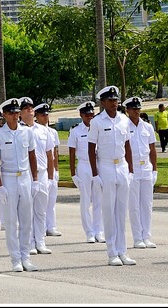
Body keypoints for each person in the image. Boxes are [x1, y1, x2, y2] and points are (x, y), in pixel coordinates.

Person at [0, 98, 40, 273]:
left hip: (25, 177)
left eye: (17, 112)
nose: (15, 115)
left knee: (27, 220)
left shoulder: (27, 132)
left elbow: (32, 156)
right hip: (9, 178)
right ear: (4, 114)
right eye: (11, 112)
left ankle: (26, 256)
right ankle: (15, 259)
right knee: (11, 221)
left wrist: (35, 180)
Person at [88, 85, 137, 267]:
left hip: (122, 165)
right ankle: (112, 252)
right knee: (109, 211)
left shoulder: (124, 120)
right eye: (110, 100)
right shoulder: (97, 122)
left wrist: (130, 170)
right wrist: (95, 174)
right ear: (103, 102)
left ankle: (123, 250)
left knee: (121, 211)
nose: (114, 103)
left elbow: (128, 146)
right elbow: (91, 148)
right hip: (106, 166)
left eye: (116, 100)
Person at [18, 97, 54, 255]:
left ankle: (40, 241)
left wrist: (52, 178)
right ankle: (29, 242)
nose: (29, 109)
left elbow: (50, 154)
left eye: (30, 107)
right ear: (19, 113)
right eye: (25, 107)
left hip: (43, 173)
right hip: (27, 174)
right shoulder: (19, 131)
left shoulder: (43, 130)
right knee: (27, 210)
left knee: (41, 210)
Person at [123, 97, 158, 249]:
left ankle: (147, 236)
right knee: (134, 205)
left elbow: (152, 149)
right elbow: (124, 149)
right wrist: (129, 170)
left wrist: (155, 169)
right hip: (133, 168)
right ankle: (138, 237)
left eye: (138, 109)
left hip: (146, 168)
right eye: (133, 109)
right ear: (127, 110)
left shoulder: (147, 127)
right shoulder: (124, 126)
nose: (136, 111)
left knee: (147, 204)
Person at [67, 102, 104, 243]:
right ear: (81, 115)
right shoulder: (76, 131)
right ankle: (89, 232)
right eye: (87, 114)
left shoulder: (98, 128)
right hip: (83, 166)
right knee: (85, 201)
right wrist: (73, 174)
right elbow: (71, 152)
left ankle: (98, 231)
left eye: (92, 114)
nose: (90, 117)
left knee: (98, 200)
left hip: (98, 165)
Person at [35, 103, 62, 238]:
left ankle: (51, 226)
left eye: (47, 114)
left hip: (51, 170)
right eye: (42, 115)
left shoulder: (52, 132)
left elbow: (54, 153)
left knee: (51, 200)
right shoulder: (35, 131)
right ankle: (41, 227)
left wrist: (55, 170)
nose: (45, 117)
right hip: (40, 170)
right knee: (41, 202)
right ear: (37, 116)